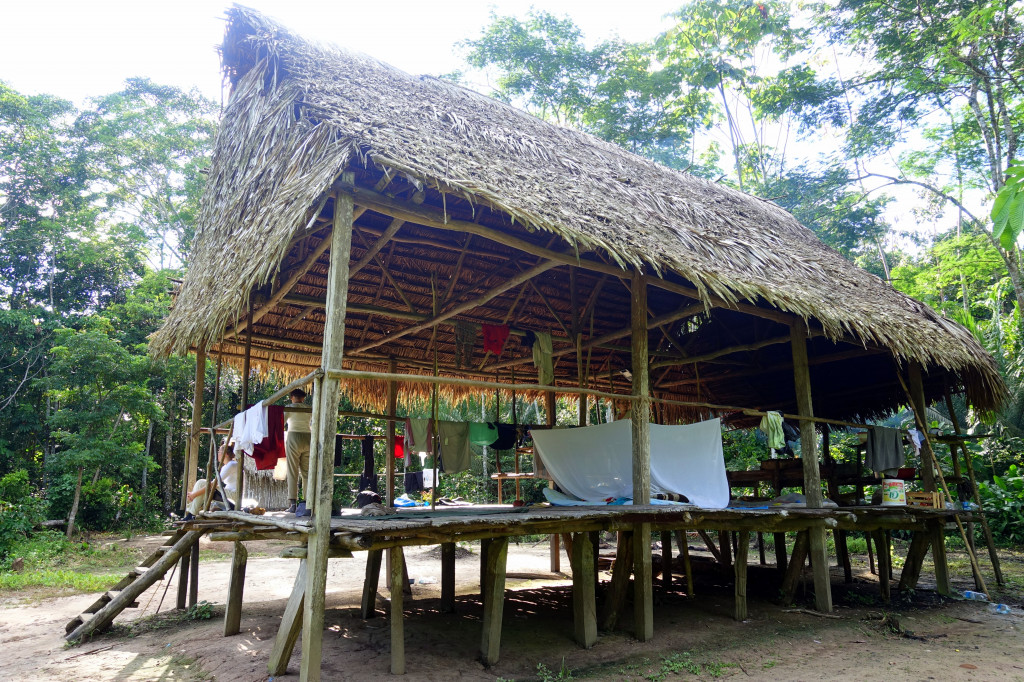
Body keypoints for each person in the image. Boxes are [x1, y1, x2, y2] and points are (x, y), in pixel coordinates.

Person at [285, 388, 311, 513]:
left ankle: (293, 504)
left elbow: (281, 422)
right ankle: (307, 502)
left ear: (292, 397)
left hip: (294, 436)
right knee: (307, 473)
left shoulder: (289, 407)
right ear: (303, 398)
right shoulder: (309, 408)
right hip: (308, 437)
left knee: (292, 470)